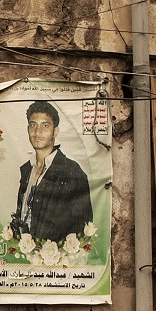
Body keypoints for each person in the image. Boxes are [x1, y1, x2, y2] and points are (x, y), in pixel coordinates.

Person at [10, 100, 93, 244]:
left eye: (45, 126)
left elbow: (83, 228)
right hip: (25, 256)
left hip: (56, 261)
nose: (37, 132)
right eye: (33, 125)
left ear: (55, 131)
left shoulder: (72, 172)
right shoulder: (27, 170)